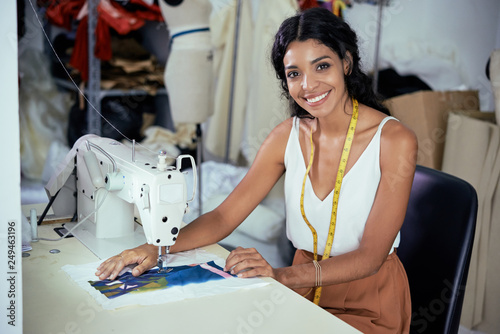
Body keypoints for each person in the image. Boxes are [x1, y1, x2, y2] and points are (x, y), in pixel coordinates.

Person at [96, 7, 416, 333]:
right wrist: (157, 247)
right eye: (294, 73)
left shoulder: (394, 139)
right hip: (301, 292)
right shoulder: (287, 136)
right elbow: (223, 217)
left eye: (322, 66)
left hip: (367, 298)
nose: (309, 84)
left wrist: (280, 275)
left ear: (346, 63)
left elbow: (371, 256)